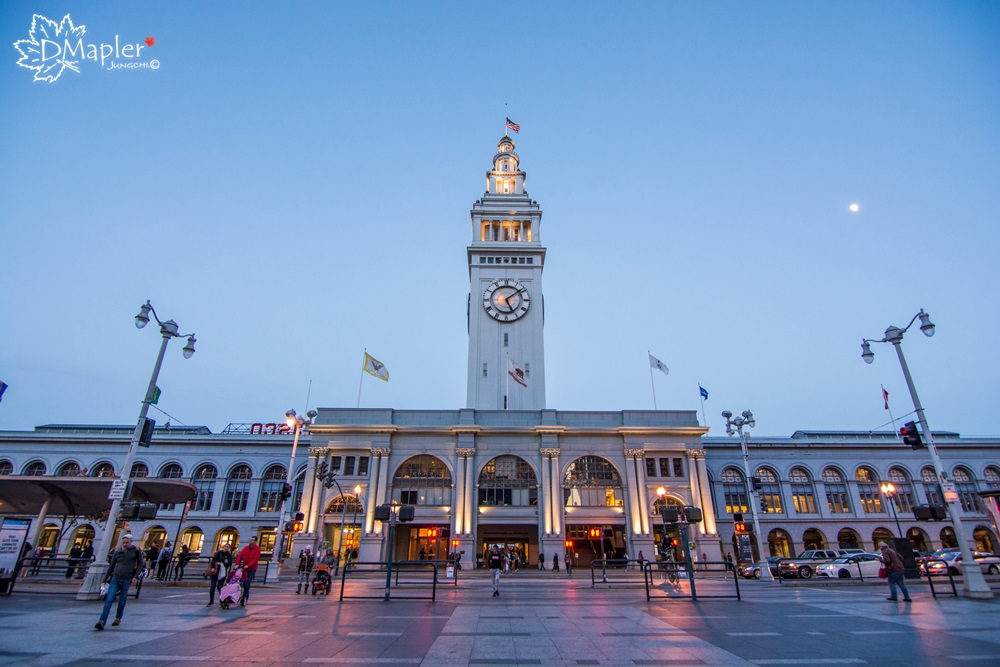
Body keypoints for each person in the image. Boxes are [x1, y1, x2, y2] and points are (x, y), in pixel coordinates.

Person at [95, 534, 144, 630]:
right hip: (116, 577)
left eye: (127, 542)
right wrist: (104, 580)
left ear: (131, 542)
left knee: (122, 600)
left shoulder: (136, 551)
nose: (125, 544)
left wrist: (135, 576)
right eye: (124, 542)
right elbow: (111, 567)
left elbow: (140, 563)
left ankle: (118, 618)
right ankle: (102, 621)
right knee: (109, 599)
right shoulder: (118, 552)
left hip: (127, 578)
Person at [235, 536, 261, 606]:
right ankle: (242, 597)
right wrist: (237, 564)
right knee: (242, 583)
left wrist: (249, 565)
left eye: (252, 540)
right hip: (244, 569)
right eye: (250, 540)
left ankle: (245, 597)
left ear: (255, 541)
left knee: (247, 583)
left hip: (252, 569)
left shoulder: (257, 549)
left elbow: (255, 559)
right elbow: (240, 556)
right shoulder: (246, 548)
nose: (250, 541)